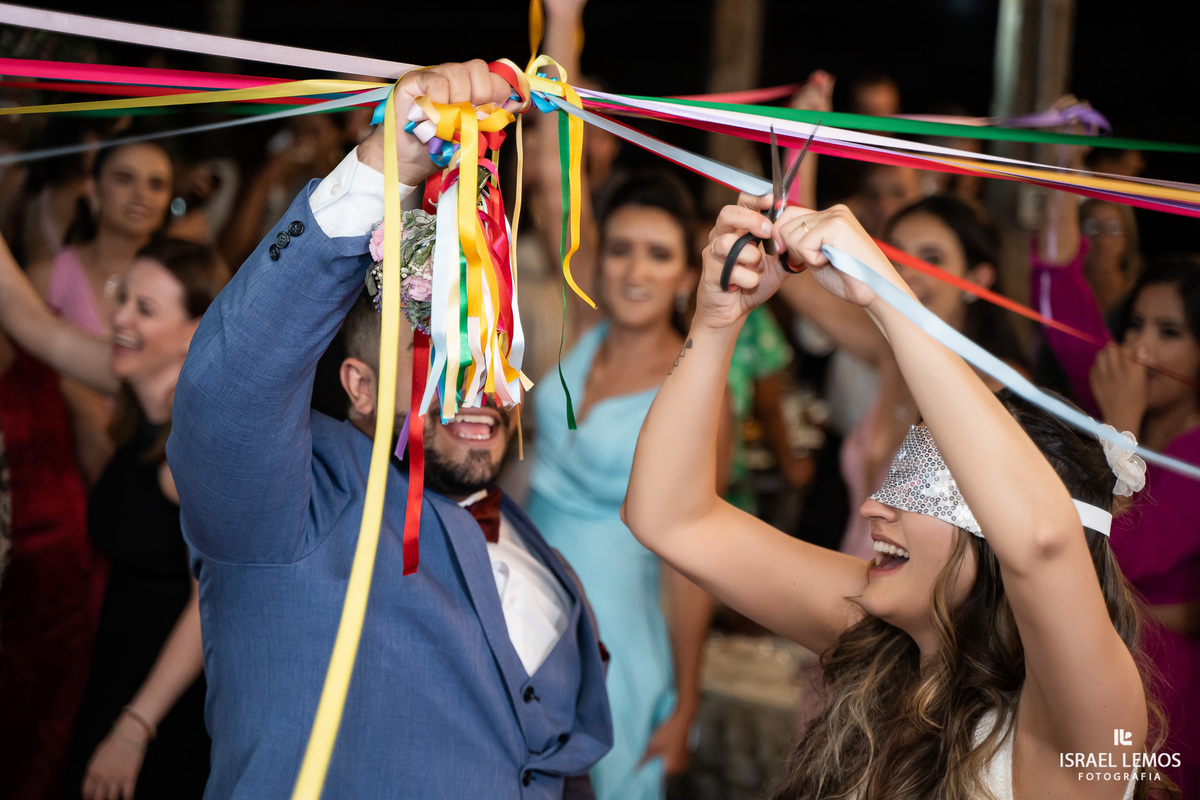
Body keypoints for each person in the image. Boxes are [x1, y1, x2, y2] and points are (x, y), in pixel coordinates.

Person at [166, 60, 612, 799]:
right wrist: (380, 170)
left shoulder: (539, 547)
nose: (478, 388)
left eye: (491, 353)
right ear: (360, 387)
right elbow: (226, 396)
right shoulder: (290, 511)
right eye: (437, 358)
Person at [624, 197, 1167, 799]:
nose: (873, 507)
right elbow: (671, 518)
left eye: (924, 484)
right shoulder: (885, 641)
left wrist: (885, 294)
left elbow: (1041, 543)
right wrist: (716, 322)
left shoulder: (1090, 730)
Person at [0, 235, 224, 799]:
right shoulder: (138, 389)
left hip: (161, 704)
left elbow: (210, 601)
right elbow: (29, 320)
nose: (118, 316)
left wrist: (135, 726)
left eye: (144, 309)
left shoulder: (194, 442)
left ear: (193, 332)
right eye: (122, 297)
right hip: (117, 670)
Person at [524, 170, 718, 800]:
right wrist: (561, 75)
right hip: (522, 601)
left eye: (659, 254)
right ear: (599, 260)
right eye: (620, 249)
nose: (636, 271)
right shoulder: (579, 330)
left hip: (618, 633)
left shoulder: (694, 391)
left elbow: (692, 565)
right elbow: (558, 196)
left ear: (688, 276)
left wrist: (685, 698)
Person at [1035, 183, 1200, 797]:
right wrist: (1062, 177)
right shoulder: (1126, 395)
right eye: (1135, 325)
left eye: (1169, 332)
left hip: (1163, 691)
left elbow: (1116, 550)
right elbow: (1058, 302)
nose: (1142, 349)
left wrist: (1120, 427)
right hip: (1089, 668)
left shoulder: (1189, 450)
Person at [28, 140, 175, 484]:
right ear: (93, 189)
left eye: (157, 184)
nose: (141, 194)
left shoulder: (179, 285)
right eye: (125, 179)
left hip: (153, 465)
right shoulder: (46, 275)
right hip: (54, 469)